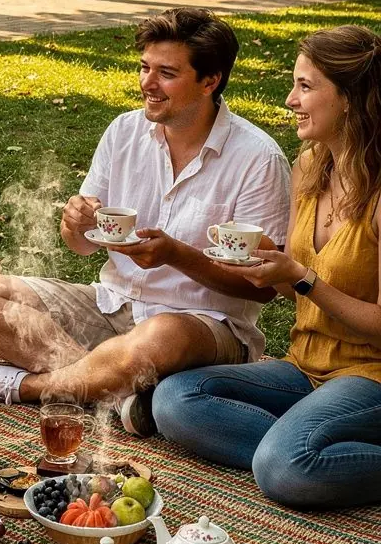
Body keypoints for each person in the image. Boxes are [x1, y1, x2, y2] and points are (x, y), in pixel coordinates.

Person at [0, 7, 290, 435]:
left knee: (158, 339)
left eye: (166, 73)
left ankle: (28, 387)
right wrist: (75, 224)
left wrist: (176, 256)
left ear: (210, 80)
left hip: (201, 325)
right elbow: (83, 244)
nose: (148, 83)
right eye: (144, 67)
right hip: (112, 304)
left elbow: (262, 290)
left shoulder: (258, 158)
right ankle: (115, 390)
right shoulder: (123, 132)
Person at [153, 26, 381, 509]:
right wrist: (270, 269)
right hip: (305, 367)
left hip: (371, 375)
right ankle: (309, 438)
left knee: (285, 467)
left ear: (350, 98)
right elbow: (290, 291)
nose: (289, 100)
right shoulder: (311, 168)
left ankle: (298, 449)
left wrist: (301, 276)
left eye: (305, 86)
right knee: (174, 401)